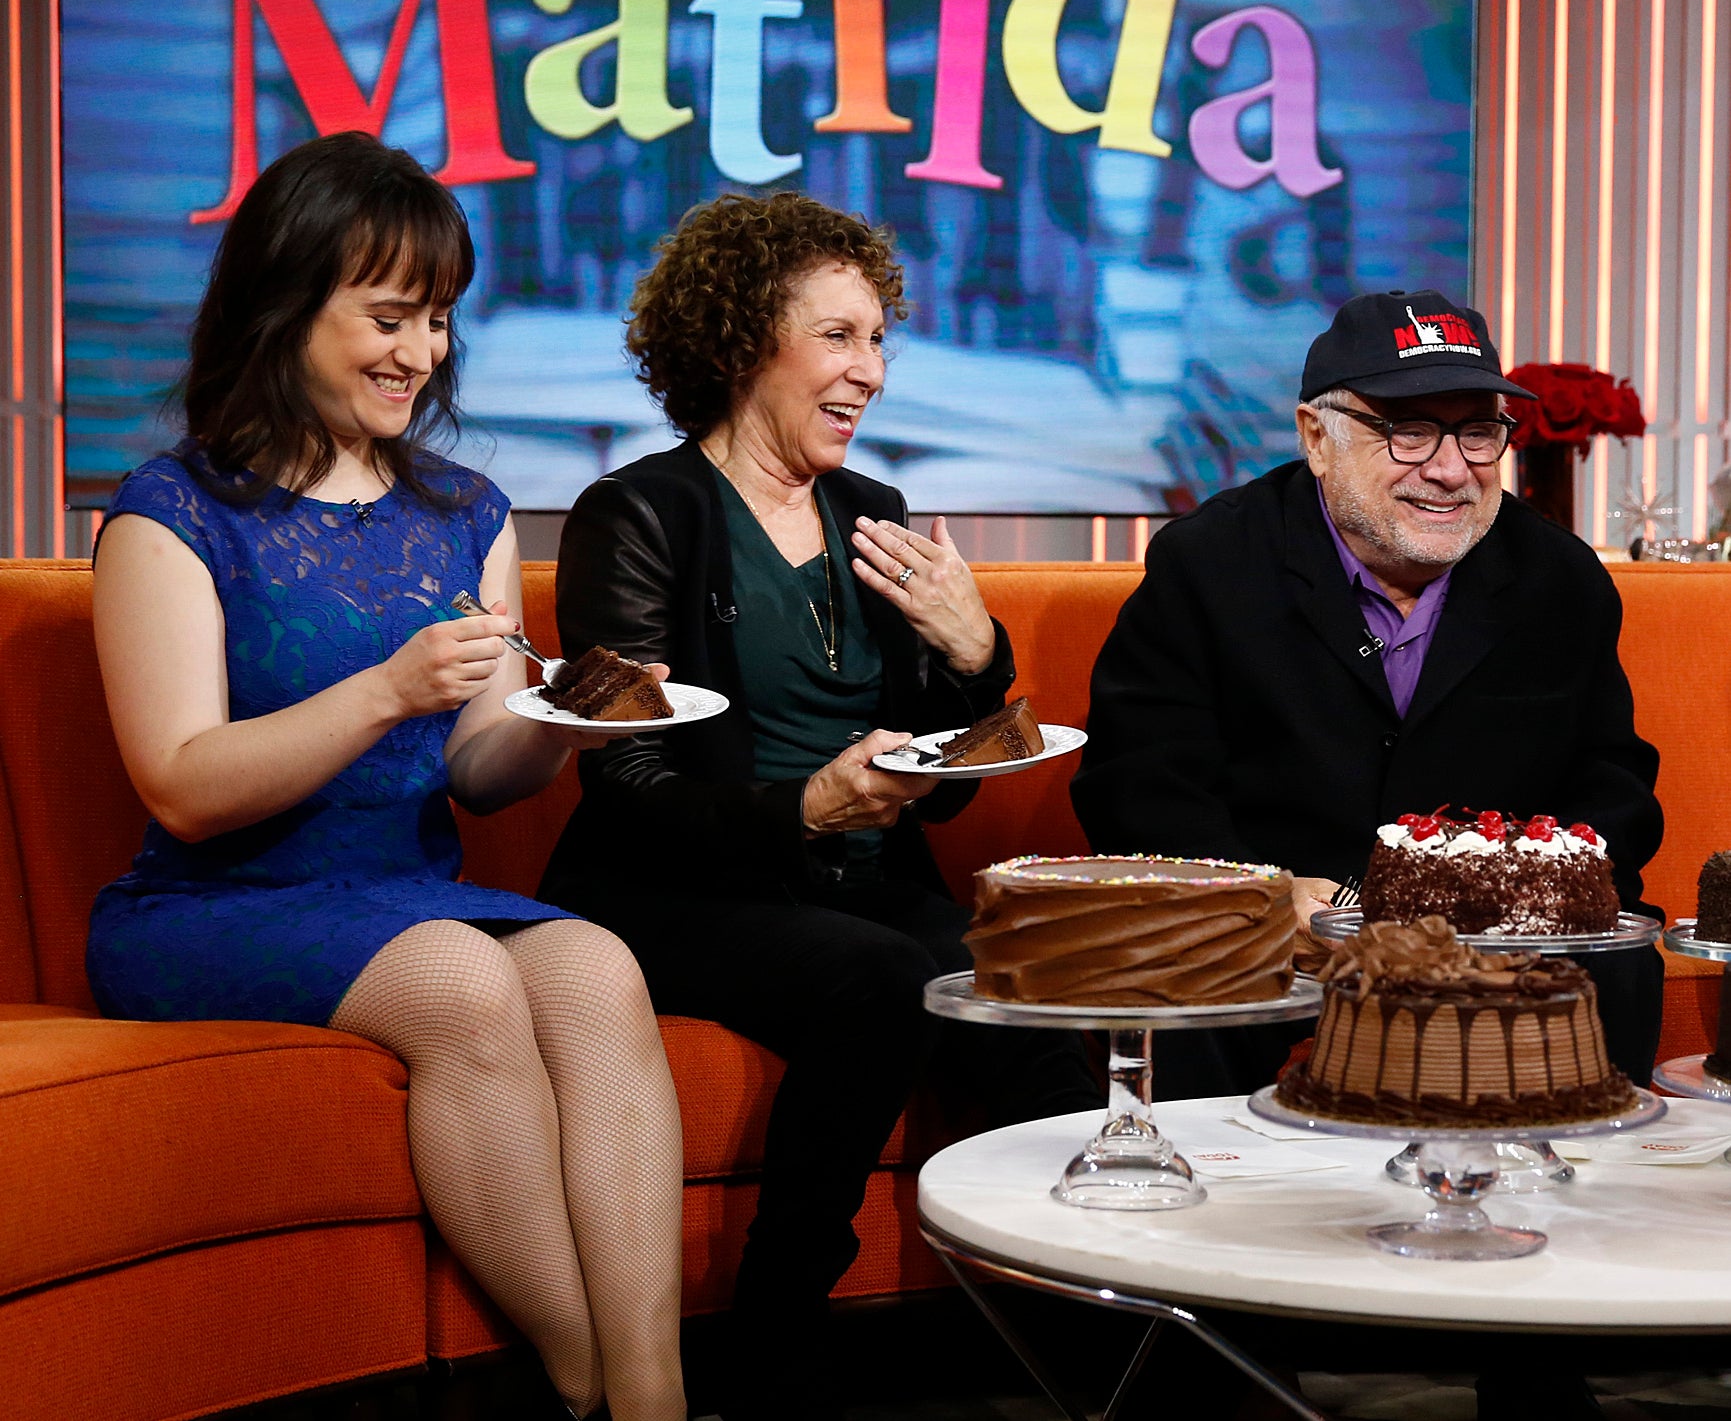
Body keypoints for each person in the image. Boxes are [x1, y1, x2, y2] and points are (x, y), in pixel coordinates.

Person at [84, 132, 686, 1421]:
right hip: (211, 906)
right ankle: (587, 1388)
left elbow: (475, 771)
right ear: (287, 302)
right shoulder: (171, 511)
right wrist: (385, 690)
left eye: (440, 319)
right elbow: (183, 785)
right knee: (467, 980)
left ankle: (654, 1392)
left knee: (596, 965)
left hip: (399, 891)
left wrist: (564, 724)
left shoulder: (465, 509)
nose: (422, 351)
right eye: (390, 315)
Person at [539, 191, 1100, 1421]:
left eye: (880, 340)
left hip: (853, 878)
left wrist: (975, 655)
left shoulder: (878, 520)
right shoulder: (641, 515)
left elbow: (944, 800)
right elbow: (626, 786)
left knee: (1024, 974)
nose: (873, 372)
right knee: (875, 978)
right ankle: (774, 1345)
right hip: (669, 887)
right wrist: (802, 810)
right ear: (746, 342)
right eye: (840, 337)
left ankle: (1083, 1338)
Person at [1073, 289, 1665, 1102]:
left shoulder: (1558, 581)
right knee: (1178, 970)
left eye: (1477, 430)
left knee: (1621, 964)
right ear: (1317, 437)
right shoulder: (1210, 563)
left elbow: (1615, 783)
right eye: (1408, 430)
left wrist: (1521, 900)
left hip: (1496, 939)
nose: (1450, 468)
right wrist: (1257, 895)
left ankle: (1572, 1208)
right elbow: (1138, 780)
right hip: (1269, 930)